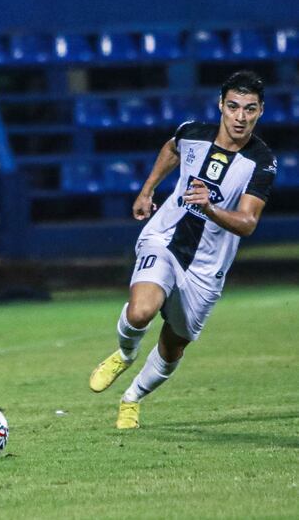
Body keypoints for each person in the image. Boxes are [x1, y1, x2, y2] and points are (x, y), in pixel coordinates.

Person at [88, 70, 277, 429]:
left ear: (260, 111)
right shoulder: (193, 133)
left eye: (249, 109)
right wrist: (147, 191)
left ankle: (132, 398)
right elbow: (171, 149)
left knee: (173, 347)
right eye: (233, 107)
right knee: (141, 311)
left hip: (207, 268)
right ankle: (125, 354)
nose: (240, 117)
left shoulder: (261, 162)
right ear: (221, 105)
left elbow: (248, 223)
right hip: (164, 240)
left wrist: (209, 208)